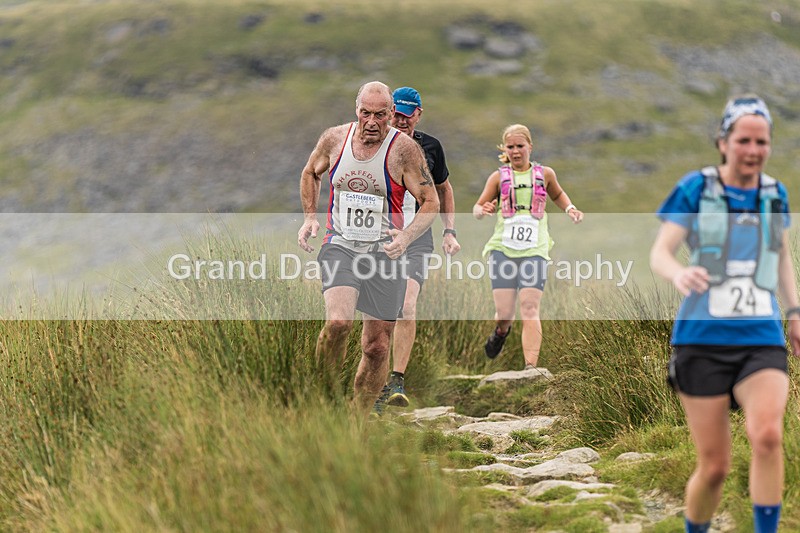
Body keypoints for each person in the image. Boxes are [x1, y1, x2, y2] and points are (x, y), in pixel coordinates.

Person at [650, 95, 800, 533]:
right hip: (701, 340)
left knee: (769, 436)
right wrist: (679, 273)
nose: (753, 150)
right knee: (714, 467)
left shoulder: (775, 194)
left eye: (762, 141)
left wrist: (794, 310)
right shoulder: (697, 188)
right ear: (723, 142)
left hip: (761, 337)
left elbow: (782, 255)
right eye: (743, 140)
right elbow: (661, 251)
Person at [297, 81, 439, 413]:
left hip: (385, 254)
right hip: (341, 245)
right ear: (356, 110)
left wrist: (406, 236)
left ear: (391, 114)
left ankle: (355, 422)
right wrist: (309, 218)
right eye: (365, 113)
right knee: (339, 323)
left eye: (380, 115)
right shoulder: (334, 139)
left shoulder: (405, 151)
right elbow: (310, 172)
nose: (372, 122)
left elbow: (430, 202)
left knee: (376, 347)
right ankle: (320, 396)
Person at [374, 86, 461, 409]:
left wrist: (449, 231)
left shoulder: (431, 147)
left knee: (406, 306)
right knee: (378, 315)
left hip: (417, 238)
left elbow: (444, 188)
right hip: (379, 239)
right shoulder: (374, 145)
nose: (400, 121)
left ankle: (397, 380)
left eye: (406, 116)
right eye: (395, 114)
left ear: (418, 115)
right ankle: (374, 384)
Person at [473, 124, 583, 369]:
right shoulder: (498, 177)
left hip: (535, 249)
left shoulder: (545, 174)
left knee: (530, 307)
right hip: (503, 249)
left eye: (520, 146)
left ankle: (530, 369)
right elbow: (477, 208)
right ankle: (501, 331)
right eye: (510, 147)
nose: (515, 151)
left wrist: (570, 209)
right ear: (505, 149)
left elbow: (558, 194)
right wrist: (484, 209)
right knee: (504, 313)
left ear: (530, 147)